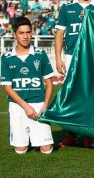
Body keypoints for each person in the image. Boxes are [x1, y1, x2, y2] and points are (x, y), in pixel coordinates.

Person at [55, 0, 94, 148]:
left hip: (92, 59)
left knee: (91, 96)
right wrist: (58, 58)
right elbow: (60, 34)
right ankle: (71, 134)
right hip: (71, 58)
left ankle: (88, 135)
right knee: (71, 96)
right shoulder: (67, 9)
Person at [1, 16, 54, 154]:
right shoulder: (6, 57)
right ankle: (26, 139)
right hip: (18, 106)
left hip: (38, 104)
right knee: (20, 150)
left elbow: (49, 82)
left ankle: (37, 137)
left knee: (46, 150)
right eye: (21, 33)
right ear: (14, 34)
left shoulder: (40, 54)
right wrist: (25, 107)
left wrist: (45, 106)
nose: (25, 36)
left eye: (28, 32)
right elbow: (7, 87)